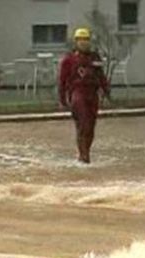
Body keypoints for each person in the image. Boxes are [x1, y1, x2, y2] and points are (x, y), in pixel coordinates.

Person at [58, 28, 110, 164]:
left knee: (91, 127)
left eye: (86, 40)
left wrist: (107, 92)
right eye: (81, 40)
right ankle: (83, 155)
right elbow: (62, 81)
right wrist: (62, 99)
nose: (84, 43)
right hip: (77, 93)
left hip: (92, 93)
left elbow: (101, 76)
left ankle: (86, 152)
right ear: (76, 42)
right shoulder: (68, 60)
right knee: (83, 124)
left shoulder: (95, 58)